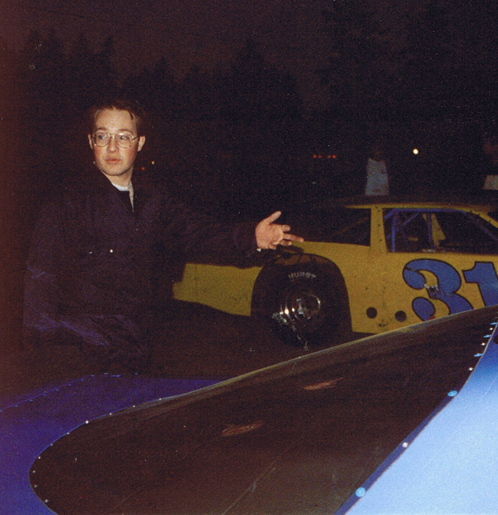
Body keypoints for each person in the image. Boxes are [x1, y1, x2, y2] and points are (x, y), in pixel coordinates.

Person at [23, 99, 302, 371]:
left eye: (123, 137)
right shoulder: (65, 204)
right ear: (90, 142)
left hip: (137, 347)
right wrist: (47, 355)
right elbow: (40, 280)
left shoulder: (154, 201)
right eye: (102, 136)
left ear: (139, 143)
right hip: (80, 352)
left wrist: (252, 237)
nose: (112, 147)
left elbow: (200, 233)